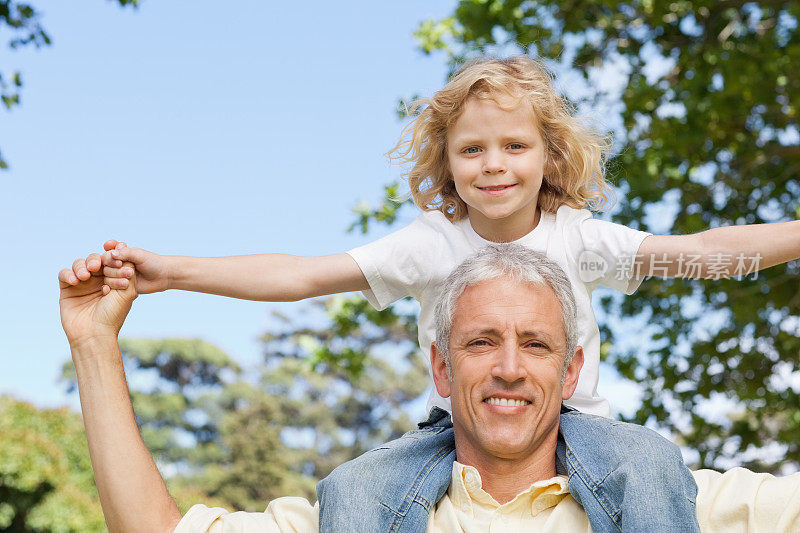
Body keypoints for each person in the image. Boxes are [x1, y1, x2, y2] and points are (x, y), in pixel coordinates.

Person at [62, 55, 800, 532]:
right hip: (448, 433)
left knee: (644, 467)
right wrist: (175, 271)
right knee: (354, 491)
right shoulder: (429, 244)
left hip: (581, 432)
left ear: (550, 158)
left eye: (514, 146)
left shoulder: (580, 238)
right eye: (471, 149)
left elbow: (705, 255)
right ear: (445, 163)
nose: (493, 165)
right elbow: (301, 275)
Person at [58, 244, 800, 531]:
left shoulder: (668, 495)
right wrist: (93, 344)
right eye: (482, 341)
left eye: (536, 343)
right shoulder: (357, 509)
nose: (509, 365)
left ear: (572, 371)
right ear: (442, 369)